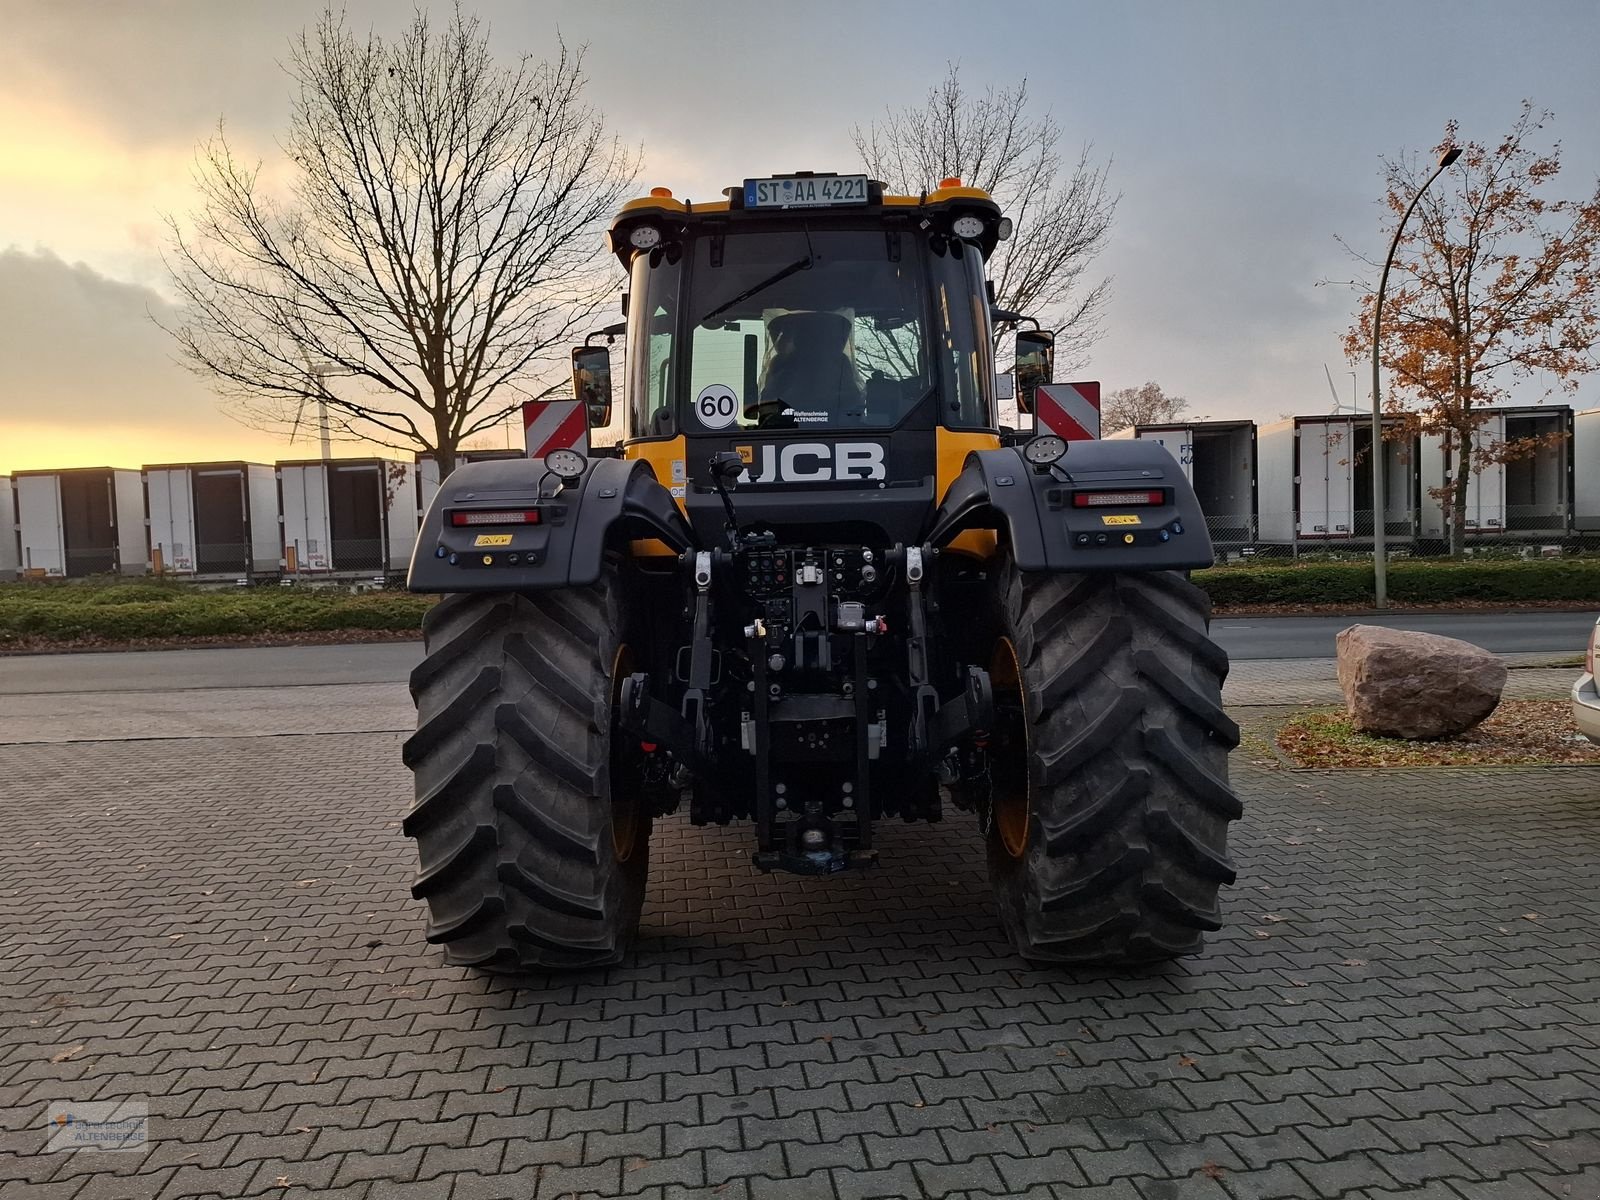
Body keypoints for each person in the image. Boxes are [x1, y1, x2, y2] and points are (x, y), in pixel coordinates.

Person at [755, 310, 861, 422]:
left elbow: (851, 401)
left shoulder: (840, 362)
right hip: (787, 429)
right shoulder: (781, 363)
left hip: (837, 429)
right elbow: (768, 404)